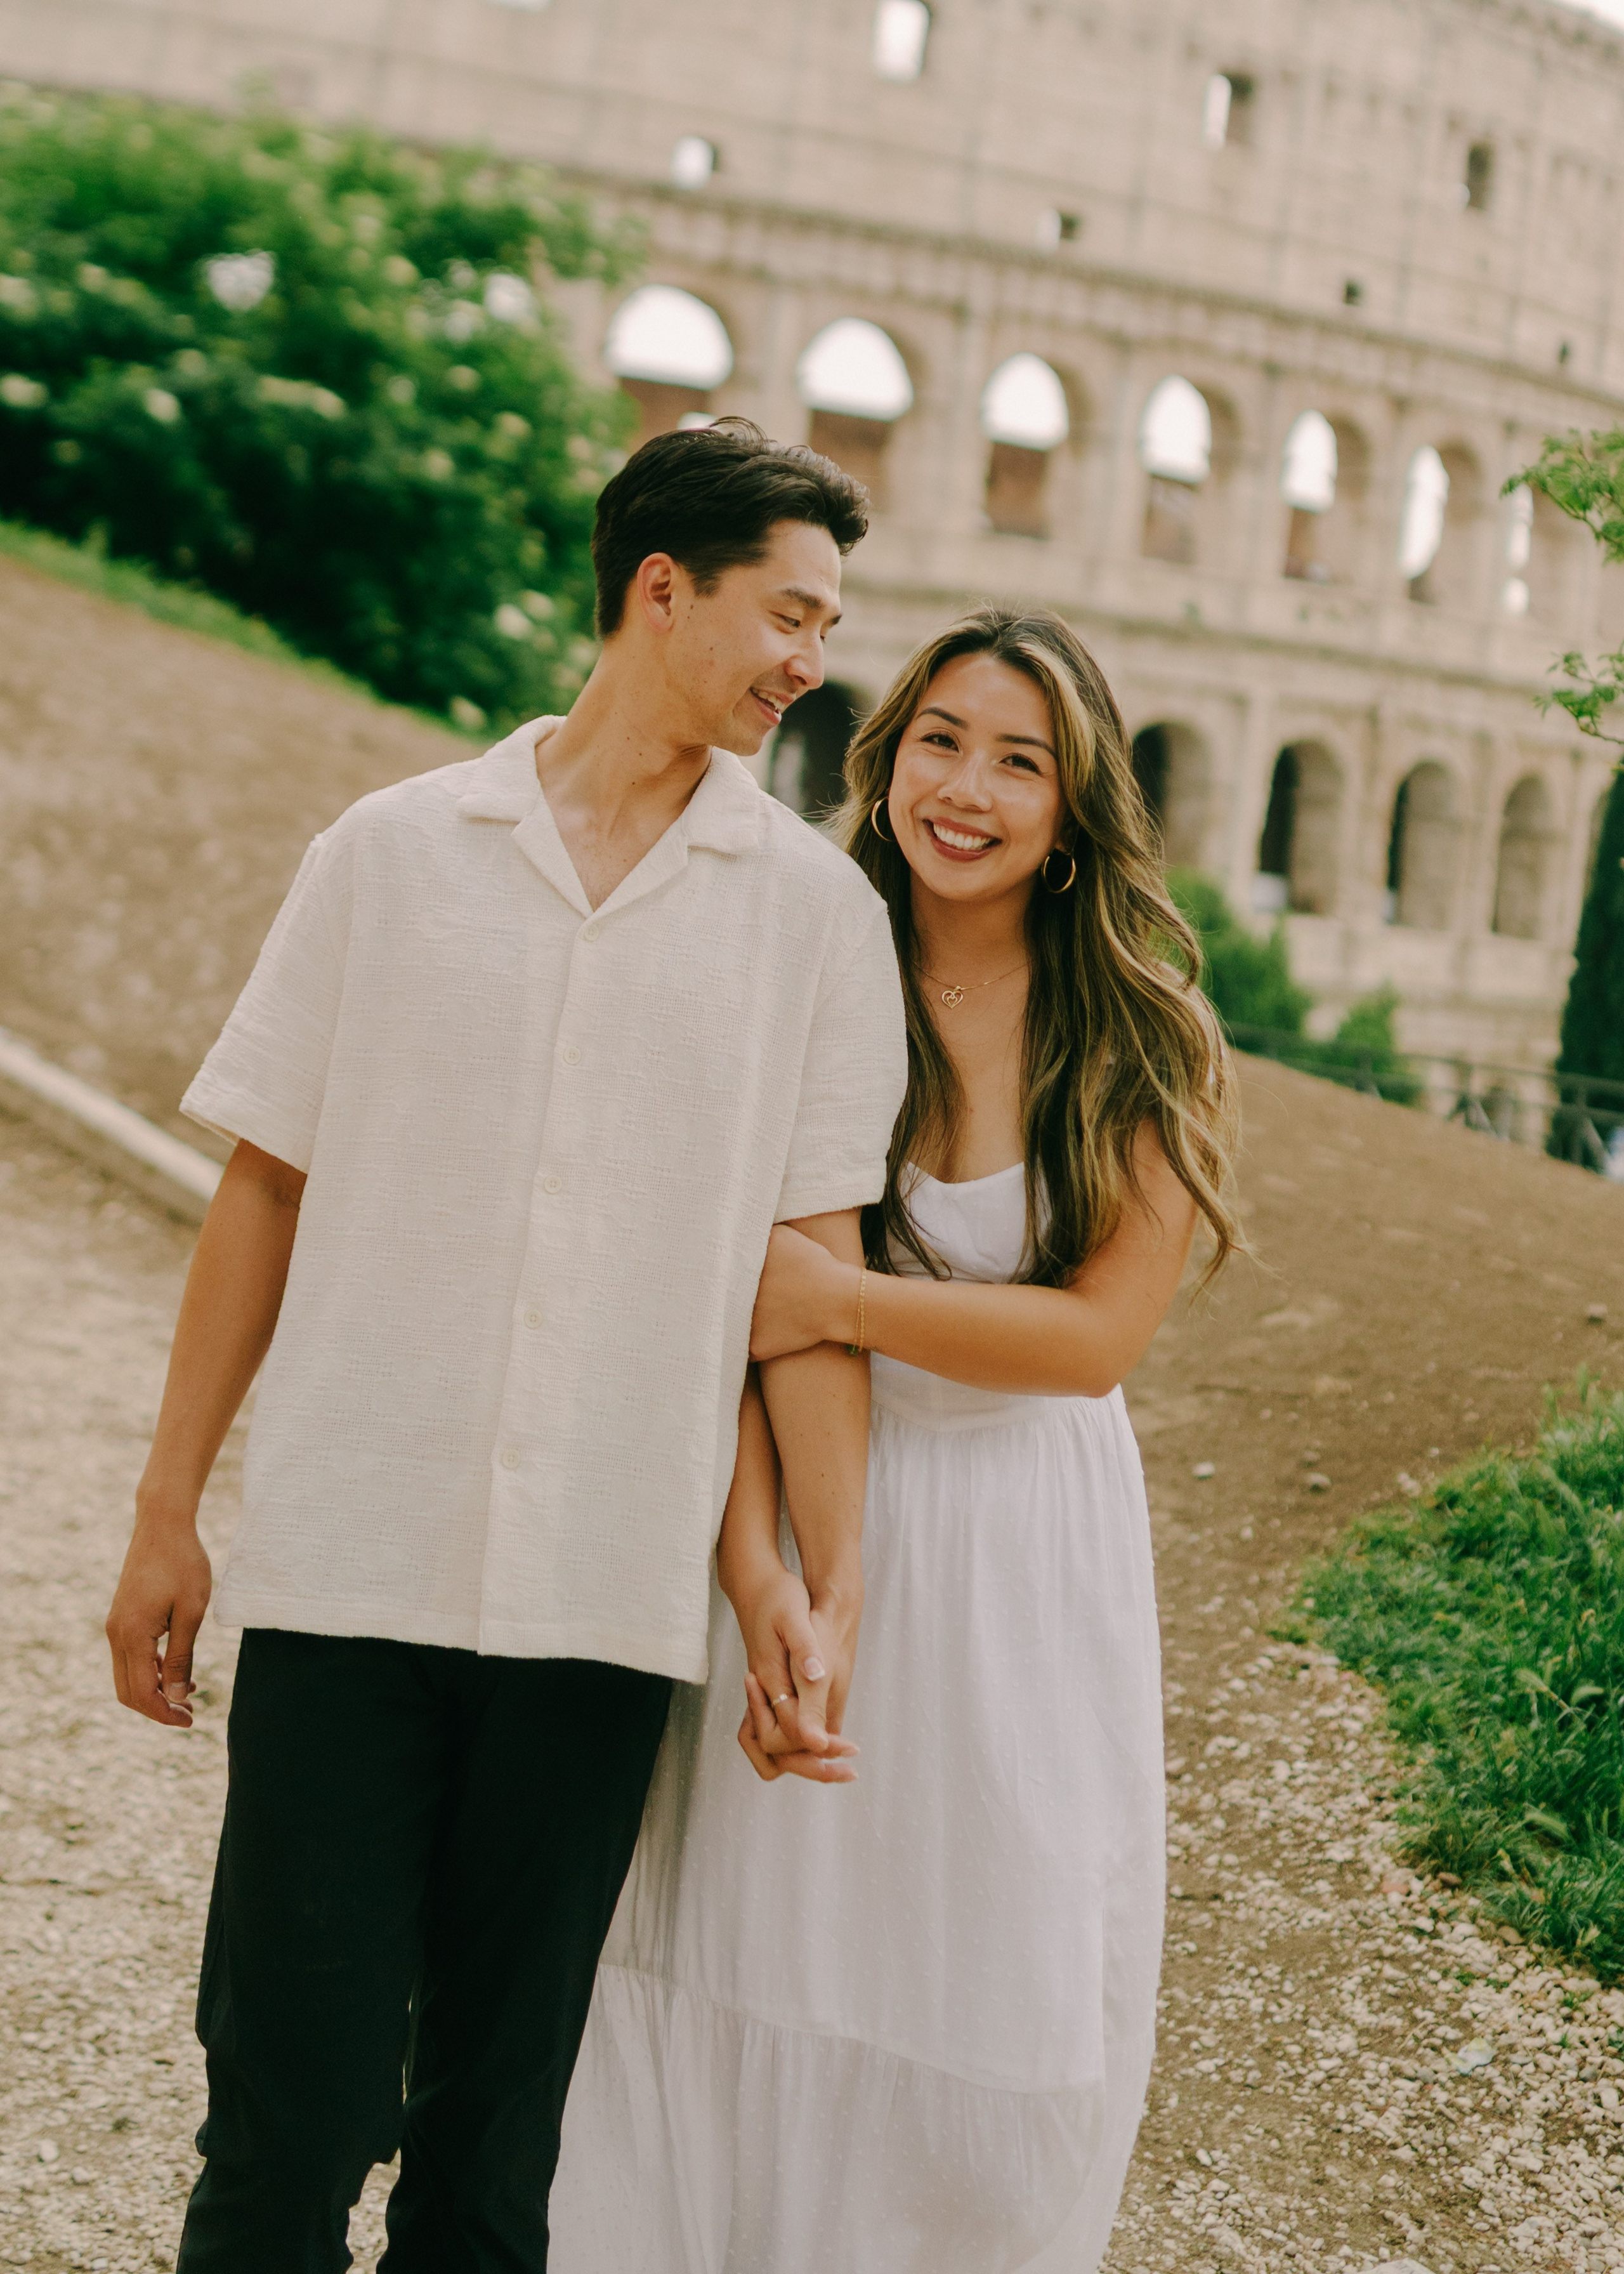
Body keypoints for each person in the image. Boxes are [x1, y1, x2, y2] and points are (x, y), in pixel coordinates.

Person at [102, 417, 908, 2271]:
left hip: (601, 1607)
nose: (812, 658)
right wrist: (168, 1511)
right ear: (660, 588)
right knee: (284, 2123)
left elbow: (807, 1285)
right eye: (790, 612)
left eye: (828, 622)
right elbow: (262, 1193)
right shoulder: (390, 855)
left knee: (492, 2156)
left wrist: (812, 1585)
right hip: (345, 1572)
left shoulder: (813, 922)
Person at [550, 607, 1241, 2274]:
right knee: (727, 1926)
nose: (971, 789)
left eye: (1021, 761)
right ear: (885, 756)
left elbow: (1090, 1343)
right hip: (785, 1506)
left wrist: (829, 1299)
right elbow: (711, 1333)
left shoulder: (1141, 1031)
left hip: (1020, 1553)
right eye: (942, 740)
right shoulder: (792, 959)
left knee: (974, 1958)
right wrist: (758, 1568)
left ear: (1076, 805)